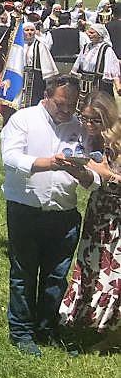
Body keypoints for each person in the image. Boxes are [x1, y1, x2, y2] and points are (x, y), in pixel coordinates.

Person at [1, 75, 102, 357]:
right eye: (61, 104)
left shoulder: (80, 128)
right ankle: (21, 331)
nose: (67, 110)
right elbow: (10, 157)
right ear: (46, 96)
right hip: (26, 209)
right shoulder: (24, 119)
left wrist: (82, 173)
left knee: (56, 276)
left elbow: (94, 174)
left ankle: (47, 329)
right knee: (23, 274)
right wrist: (50, 163)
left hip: (64, 213)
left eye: (72, 105)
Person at [59, 91, 121, 351]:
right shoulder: (92, 142)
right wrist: (76, 170)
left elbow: (111, 177)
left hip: (118, 214)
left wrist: (105, 173)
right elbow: (91, 183)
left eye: (94, 120)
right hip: (98, 211)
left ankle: (115, 334)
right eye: (84, 119)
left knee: (116, 271)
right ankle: (93, 320)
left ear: (107, 118)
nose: (87, 125)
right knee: (93, 264)